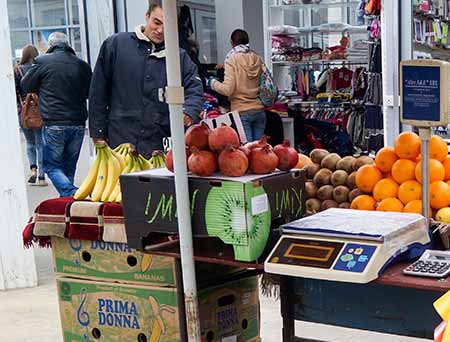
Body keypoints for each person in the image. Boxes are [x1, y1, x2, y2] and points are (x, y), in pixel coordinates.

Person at [88, 0, 205, 157]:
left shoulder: (179, 56)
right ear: (147, 16)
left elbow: (194, 87)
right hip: (121, 137)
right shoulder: (116, 45)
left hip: (159, 140)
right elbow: (98, 90)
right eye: (156, 22)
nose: (160, 30)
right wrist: (97, 131)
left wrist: (190, 110)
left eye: (167, 25)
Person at [19, 33, 92, 199]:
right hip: (78, 123)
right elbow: (90, 92)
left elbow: (26, 85)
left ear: (51, 45)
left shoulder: (42, 61)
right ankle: (68, 203)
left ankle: (72, 193)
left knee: (50, 166)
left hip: (54, 122)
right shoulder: (81, 65)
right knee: (69, 167)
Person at [208, 29, 267, 142]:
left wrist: (212, 83)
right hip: (260, 111)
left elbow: (227, 90)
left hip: (242, 112)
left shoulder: (232, 60)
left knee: (248, 152)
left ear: (232, 43)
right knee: (259, 152)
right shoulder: (258, 58)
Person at [14, 45, 44, 186]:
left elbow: (15, 92)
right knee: (40, 143)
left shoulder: (17, 70)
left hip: (23, 112)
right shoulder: (39, 68)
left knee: (30, 142)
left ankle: (33, 169)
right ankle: (42, 175)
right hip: (38, 111)